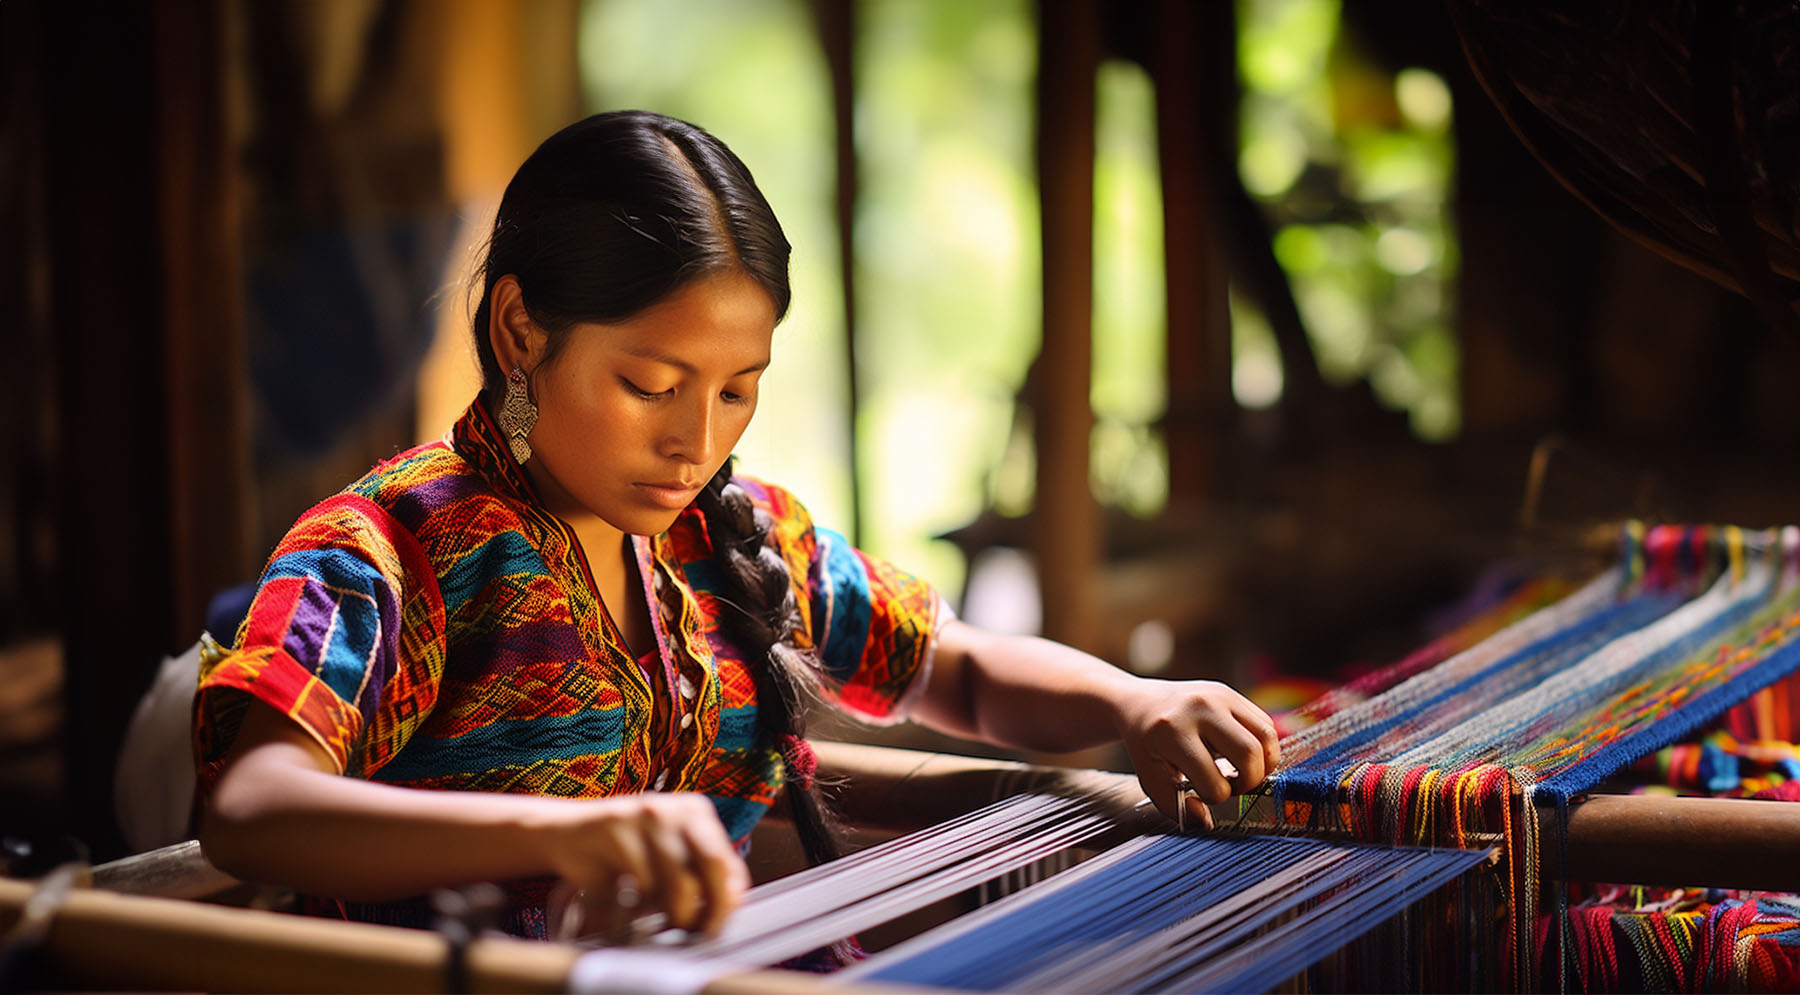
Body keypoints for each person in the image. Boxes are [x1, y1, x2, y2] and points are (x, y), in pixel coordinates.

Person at [194, 110, 1281, 945]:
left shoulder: (733, 533)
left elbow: (957, 671)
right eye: (651, 383)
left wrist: (1135, 701)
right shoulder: (388, 548)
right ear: (522, 329)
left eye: (735, 390)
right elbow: (253, 804)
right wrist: (568, 830)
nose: (694, 441)